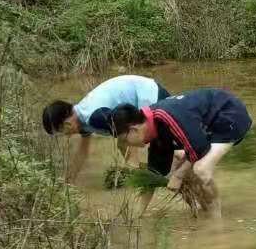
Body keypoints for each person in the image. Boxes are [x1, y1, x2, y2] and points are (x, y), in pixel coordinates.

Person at [108, 88, 252, 216]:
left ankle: (216, 224)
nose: (125, 144)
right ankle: (206, 212)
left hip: (230, 115)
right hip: (209, 125)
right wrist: (136, 215)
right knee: (183, 162)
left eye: (124, 139)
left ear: (134, 129)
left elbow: (199, 147)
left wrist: (178, 175)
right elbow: (153, 175)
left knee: (201, 169)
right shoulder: (154, 129)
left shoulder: (165, 116)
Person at [41, 74, 171, 182]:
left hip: (151, 97)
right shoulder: (82, 118)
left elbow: (128, 129)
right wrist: (69, 181)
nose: (66, 135)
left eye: (62, 132)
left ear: (66, 124)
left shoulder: (94, 117)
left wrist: (134, 172)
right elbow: (82, 152)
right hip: (146, 94)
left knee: (168, 148)